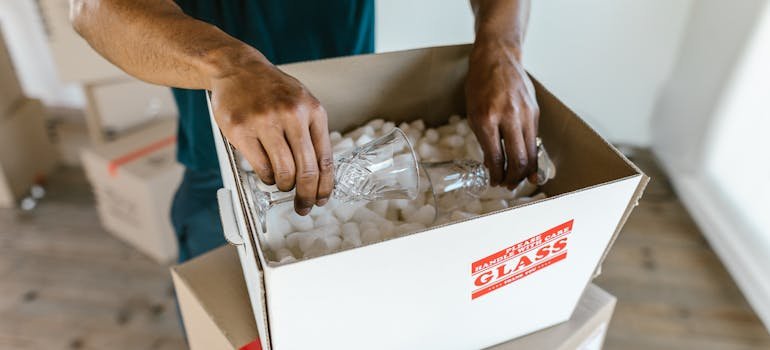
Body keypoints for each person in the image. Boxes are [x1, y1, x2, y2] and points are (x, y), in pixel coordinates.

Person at [71, 0, 540, 263]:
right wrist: (231, 67)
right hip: (220, 157)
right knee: (223, 316)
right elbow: (91, 9)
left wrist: (501, 45)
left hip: (344, 118)